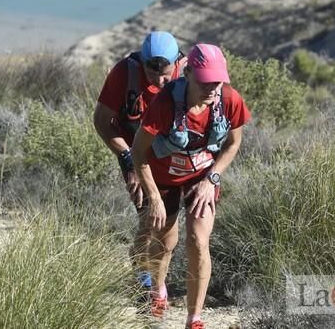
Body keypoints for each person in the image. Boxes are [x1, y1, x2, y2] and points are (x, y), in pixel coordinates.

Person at [132, 43, 251, 329]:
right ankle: (157, 291)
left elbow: (233, 144)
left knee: (199, 241)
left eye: (218, 81)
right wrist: (154, 197)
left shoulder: (229, 100)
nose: (213, 88)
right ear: (189, 75)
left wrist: (213, 178)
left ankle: (193, 319)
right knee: (165, 240)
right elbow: (138, 151)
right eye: (206, 81)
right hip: (164, 178)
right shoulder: (164, 104)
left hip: (202, 179)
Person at [93, 31, 186, 296]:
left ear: (176, 62)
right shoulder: (125, 74)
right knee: (149, 214)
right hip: (137, 156)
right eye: (151, 72)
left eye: (165, 73)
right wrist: (127, 159)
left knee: (171, 221)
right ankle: (144, 273)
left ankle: (157, 269)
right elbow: (101, 121)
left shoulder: (186, 73)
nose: (159, 80)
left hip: (174, 155)